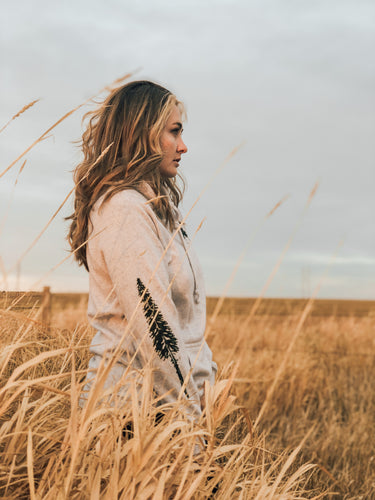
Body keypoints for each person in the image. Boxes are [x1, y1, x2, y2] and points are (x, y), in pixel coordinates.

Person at [67, 80, 217, 420]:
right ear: (141, 134)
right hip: (128, 417)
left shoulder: (161, 210)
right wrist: (189, 422)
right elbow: (156, 330)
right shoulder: (124, 210)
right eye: (174, 132)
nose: (183, 146)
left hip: (164, 410)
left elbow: (185, 323)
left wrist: (206, 385)